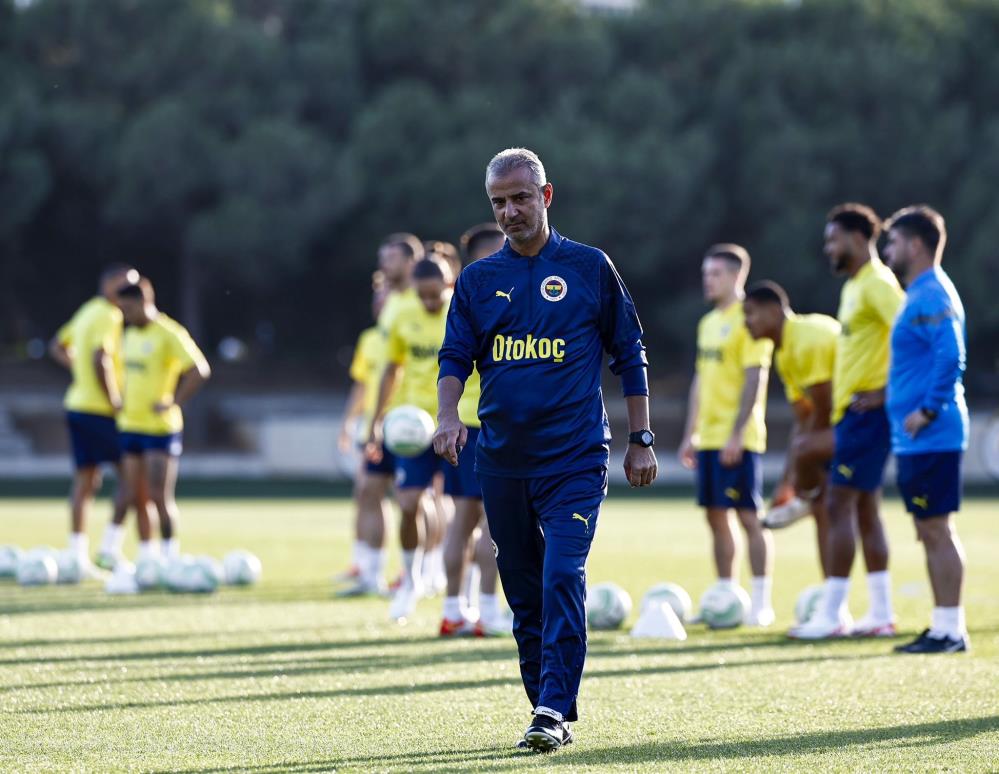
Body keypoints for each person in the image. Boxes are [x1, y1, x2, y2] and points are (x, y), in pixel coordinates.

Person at [433, 148, 656, 752]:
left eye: (520, 198)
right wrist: (448, 416)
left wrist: (640, 438)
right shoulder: (477, 280)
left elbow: (629, 351)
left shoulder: (588, 267)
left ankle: (553, 708)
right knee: (523, 590)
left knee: (562, 574)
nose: (510, 211)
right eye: (499, 202)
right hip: (502, 460)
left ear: (546, 196)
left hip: (575, 458)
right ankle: (545, 703)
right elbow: (454, 356)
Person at [790, 203, 903, 640]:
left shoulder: (878, 283)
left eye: (833, 239)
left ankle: (833, 614)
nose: (828, 248)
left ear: (858, 238)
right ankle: (881, 613)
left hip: (867, 415)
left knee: (838, 504)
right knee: (866, 510)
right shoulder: (856, 286)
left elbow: (911, 333)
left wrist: (886, 393)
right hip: (852, 416)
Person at [882, 206, 970, 654]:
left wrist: (930, 410)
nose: (887, 250)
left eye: (893, 242)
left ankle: (951, 630)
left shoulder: (933, 294)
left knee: (937, 528)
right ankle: (942, 627)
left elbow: (951, 355)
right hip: (916, 439)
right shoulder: (919, 293)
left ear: (915, 245)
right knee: (929, 528)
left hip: (933, 434)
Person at [678, 244, 775, 627]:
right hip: (709, 439)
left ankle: (761, 603)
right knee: (716, 518)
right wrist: (691, 433)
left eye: (716, 273)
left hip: (740, 439)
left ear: (737, 276)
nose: (708, 280)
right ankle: (725, 598)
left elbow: (755, 379)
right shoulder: (707, 323)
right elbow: (700, 381)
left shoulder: (750, 320)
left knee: (749, 517)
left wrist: (737, 434)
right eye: (706, 273)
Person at [367, 258, 453, 621]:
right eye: (423, 296)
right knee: (408, 503)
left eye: (436, 295)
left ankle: (452, 581)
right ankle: (411, 580)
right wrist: (377, 420)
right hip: (414, 427)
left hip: (458, 421)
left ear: (449, 284)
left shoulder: (463, 311)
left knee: (465, 508)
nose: (430, 302)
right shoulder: (403, 315)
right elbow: (392, 369)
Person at [439, 223, 509, 638]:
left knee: (462, 520)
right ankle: (488, 610)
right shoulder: (495, 300)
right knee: (494, 521)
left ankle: (453, 611)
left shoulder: (460, 302)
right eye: (499, 251)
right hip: (490, 424)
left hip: (465, 424)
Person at [50, 264, 143, 574]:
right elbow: (100, 358)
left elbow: (57, 346)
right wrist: (115, 400)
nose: (130, 294)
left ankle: (77, 556)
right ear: (109, 285)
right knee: (131, 479)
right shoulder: (109, 315)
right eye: (125, 286)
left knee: (86, 482)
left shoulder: (87, 310)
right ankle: (109, 550)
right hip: (101, 412)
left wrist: (80, 373)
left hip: (77, 406)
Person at [743, 281, 837, 579]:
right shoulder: (783, 353)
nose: (746, 322)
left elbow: (824, 406)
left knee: (847, 508)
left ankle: (805, 497)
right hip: (839, 424)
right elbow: (804, 418)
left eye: (750, 313)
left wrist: (800, 471)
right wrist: (787, 481)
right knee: (824, 507)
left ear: (773, 311)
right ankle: (832, 595)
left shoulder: (808, 338)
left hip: (865, 416)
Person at [116, 279, 211, 560]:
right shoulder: (129, 335)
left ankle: (170, 557)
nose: (126, 315)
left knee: (159, 496)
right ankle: (147, 556)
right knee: (134, 495)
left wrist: (174, 402)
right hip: (130, 425)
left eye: (129, 309)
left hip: (159, 429)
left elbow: (199, 370)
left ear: (145, 302)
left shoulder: (170, 333)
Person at [336, 275, 392, 596]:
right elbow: (361, 385)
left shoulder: (410, 327)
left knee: (418, 500)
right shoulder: (370, 339)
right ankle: (368, 570)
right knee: (367, 493)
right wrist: (348, 422)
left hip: (408, 425)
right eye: (376, 297)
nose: (379, 302)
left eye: (385, 295)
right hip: (373, 427)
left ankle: (427, 570)